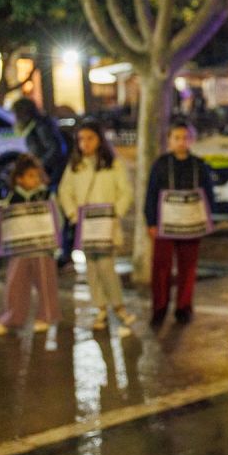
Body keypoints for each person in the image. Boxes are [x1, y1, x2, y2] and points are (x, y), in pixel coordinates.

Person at [57, 119, 135, 335]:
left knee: (106, 266)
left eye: (90, 138)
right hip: (86, 227)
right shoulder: (75, 166)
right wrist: (74, 215)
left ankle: (118, 307)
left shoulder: (113, 164)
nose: (85, 143)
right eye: (81, 139)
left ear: (100, 139)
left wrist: (115, 214)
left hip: (106, 227)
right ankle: (100, 308)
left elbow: (125, 192)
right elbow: (65, 192)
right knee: (91, 268)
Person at [145, 121, 215, 326]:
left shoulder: (199, 165)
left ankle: (183, 307)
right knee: (161, 268)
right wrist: (151, 221)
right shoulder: (160, 164)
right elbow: (151, 194)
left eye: (185, 138)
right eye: (176, 138)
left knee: (188, 267)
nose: (181, 142)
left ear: (191, 140)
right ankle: (159, 308)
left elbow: (208, 195)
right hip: (165, 225)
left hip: (191, 225)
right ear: (169, 141)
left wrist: (208, 219)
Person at [0, 154, 62, 335]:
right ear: (19, 178)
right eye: (30, 176)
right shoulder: (11, 199)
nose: (35, 180)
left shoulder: (46, 195)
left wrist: (56, 241)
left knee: (46, 283)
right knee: (15, 284)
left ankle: (46, 317)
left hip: (43, 249)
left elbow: (56, 219)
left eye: (37, 176)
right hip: (19, 250)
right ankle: (11, 318)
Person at [11, 98, 68, 188]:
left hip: (52, 174)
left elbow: (55, 149)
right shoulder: (34, 125)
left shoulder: (40, 126)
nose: (15, 117)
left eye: (16, 113)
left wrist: (40, 164)